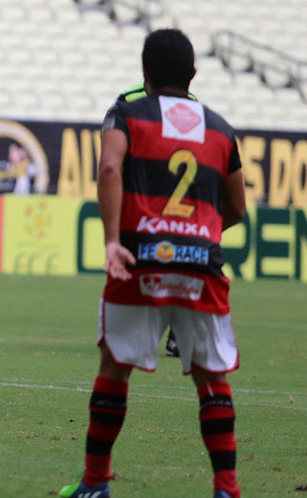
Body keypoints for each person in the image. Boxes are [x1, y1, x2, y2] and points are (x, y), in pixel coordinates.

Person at [60, 29, 256, 498]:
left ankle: (95, 484)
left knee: (115, 369)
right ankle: (227, 494)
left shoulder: (127, 114)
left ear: (143, 74)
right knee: (212, 379)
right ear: (193, 75)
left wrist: (111, 241)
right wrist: (201, 234)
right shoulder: (221, 128)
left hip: (139, 257)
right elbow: (236, 207)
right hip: (200, 265)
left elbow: (109, 170)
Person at [109, 83, 199, 359]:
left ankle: (174, 334)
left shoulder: (191, 101)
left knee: (177, 262)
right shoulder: (127, 99)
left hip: (173, 196)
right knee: (141, 263)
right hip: (139, 194)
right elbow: (112, 147)